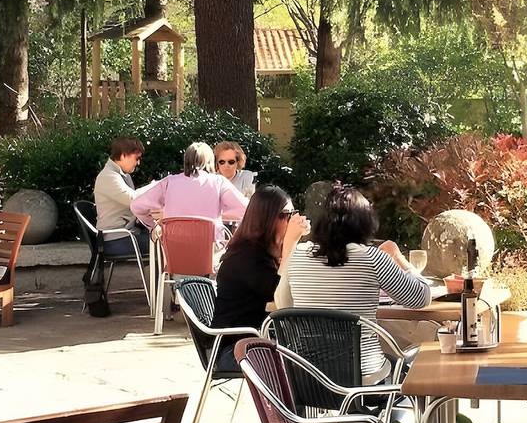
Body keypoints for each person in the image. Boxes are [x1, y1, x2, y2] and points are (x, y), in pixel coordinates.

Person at [281, 185, 429, 379]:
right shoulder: (372, 258)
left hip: (309, 377)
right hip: (363, 376)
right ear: (365, 222)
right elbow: (421, 298)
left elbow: (282, 304)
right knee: (426, 352)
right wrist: (398, 257)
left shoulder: (298, 256)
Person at [211, 187, 307, 366]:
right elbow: (279, 297)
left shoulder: (261, 252)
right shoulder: (246, 256)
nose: (291, 220)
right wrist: (290, 244)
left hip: (256, 340)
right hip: (236, 350)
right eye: (287, 214)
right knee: (312, 358)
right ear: (268, 218)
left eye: (293, 214)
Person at [130, 142, 249, 236]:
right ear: (211, 162)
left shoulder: (169, 183)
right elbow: (247, 209)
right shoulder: (218, 182)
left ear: (186, 161)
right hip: (210, 252)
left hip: (175, 253)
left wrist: (153, 225)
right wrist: (218, 214)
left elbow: (136, 206)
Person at [92, 136, 148, 257]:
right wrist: (154, 189)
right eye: (136, 158)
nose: (138, 163)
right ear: (123, 155)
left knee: (162, 238)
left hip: (126, 235)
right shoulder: (108, 176)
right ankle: (157, 275)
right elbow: (134, 200)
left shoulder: (123, 175)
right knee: (163, 243)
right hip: (115, 240)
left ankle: (155, 274)